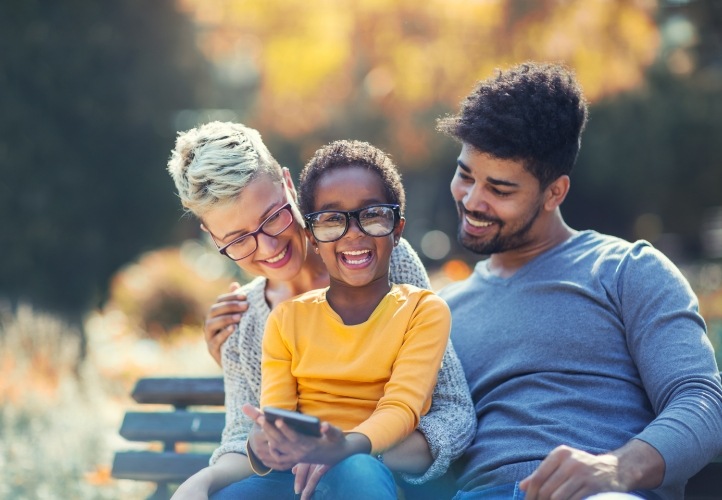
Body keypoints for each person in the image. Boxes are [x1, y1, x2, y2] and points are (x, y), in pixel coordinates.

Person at [434, 62, 722, 499]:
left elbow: (702, 401)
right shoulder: (440, 312)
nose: (473, 200)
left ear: (556, 192)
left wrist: (616, 467)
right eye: (465, 175)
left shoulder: (628, 270)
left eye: (501, 189)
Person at [166, 122, 475, 499]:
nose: (267, 248)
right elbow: (244, 439)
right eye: (239, 241)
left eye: (272, 217)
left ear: (287, 185)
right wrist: (204, 481)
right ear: (212, 237)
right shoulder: (243, 323)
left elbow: (451, 413)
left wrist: (349, 452)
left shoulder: (376, 258)